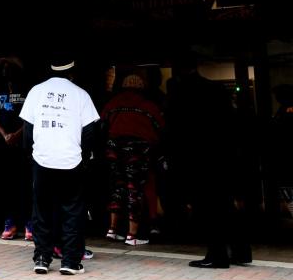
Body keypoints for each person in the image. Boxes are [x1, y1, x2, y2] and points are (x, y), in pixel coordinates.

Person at [167, 54, 250, 269]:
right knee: (226, 206)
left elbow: (179, 130)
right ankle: (240, 251)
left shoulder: (182, 92)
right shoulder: (216, 89)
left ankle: (217, 254)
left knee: (208, 208)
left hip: (199, 158)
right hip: (224, 155)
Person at [20, 57, 99, 276]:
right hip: (71, 161)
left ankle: (42, 259)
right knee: (72, 211)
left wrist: (31, 155)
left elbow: (27, 130)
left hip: (42, 160)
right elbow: (90, 131)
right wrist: (84, 158)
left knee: (42, 210)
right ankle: (70, 262)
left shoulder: (36, 92)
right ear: (72, 72)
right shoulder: (81, 94)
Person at [101, 73, 164, 246]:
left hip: (113, 148)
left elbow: (102, 124)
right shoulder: (148, 105)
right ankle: (132, 234)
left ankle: (112, 230)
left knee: (117, 187)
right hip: (137, 150)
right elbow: (160, 129)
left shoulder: (112, 103)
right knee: (134, 189)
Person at [0, 56, 32, 241]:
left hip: (23, 145)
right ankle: (10, 223)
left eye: (8, 67)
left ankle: (29, 223)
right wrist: (4, 134)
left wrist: (16, 134)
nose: (4, 70)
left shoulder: (26, 89)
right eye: (3, 67)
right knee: (7, 185)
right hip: (5, 145)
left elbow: (30, 117)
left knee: (25, 184)